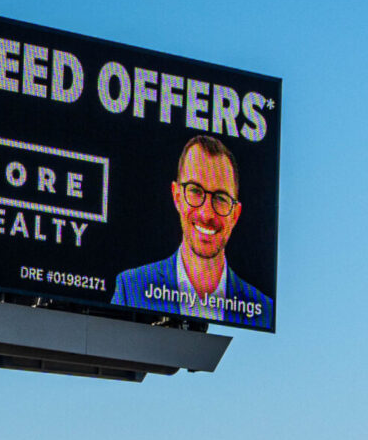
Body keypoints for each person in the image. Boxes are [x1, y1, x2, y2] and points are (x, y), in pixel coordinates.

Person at [113, 135, 273, 327]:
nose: (207, 214)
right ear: (177, 196)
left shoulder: (263, 311)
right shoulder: (132, 288)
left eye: (221, 198)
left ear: (235, 215)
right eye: (196, 191)